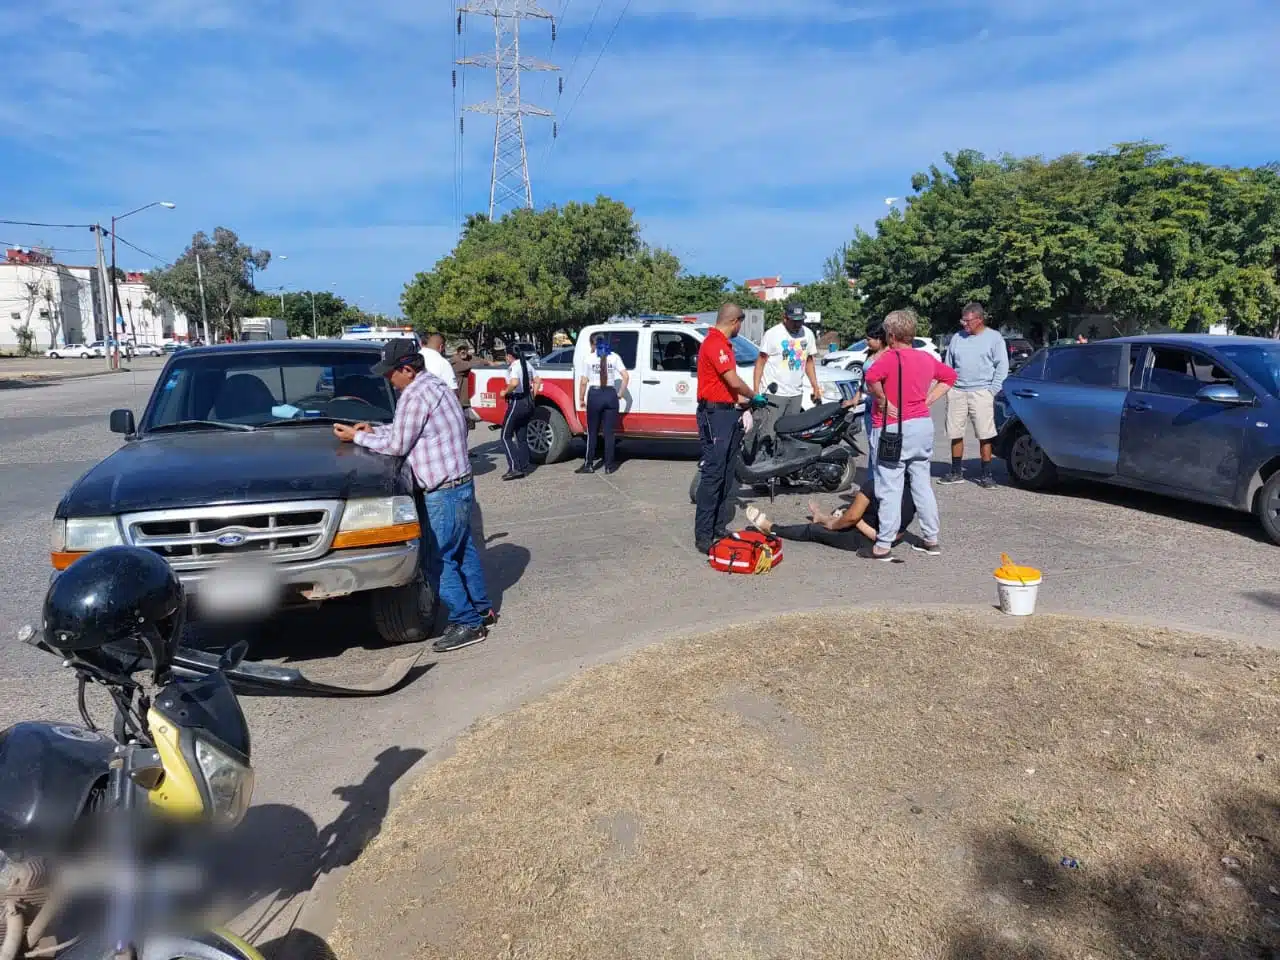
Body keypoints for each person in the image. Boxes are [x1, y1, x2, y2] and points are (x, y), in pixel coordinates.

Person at [333, 338, 494, 653]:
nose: (386, 379)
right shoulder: (433, 386)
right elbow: (405, 431)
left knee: (438, 559)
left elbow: (397, 446)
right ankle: (481, 608)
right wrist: (371, 431)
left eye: (389, 373)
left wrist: (358, 438)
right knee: (462, 550)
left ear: (406, 369)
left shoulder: (413, 396)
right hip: (459, 483)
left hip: (441, 490)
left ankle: (467, 622)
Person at [864, 309, 957, 561]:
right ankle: (931, 538)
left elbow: (870, 378)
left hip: (893, 427)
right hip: (921, 427)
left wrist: (882, 399)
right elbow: (949, 377)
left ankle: (883, 543)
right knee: (921, 483)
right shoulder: (926, 358)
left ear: (891, 335)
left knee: (890, 486)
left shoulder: (888, 358)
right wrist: (928, 400)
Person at [695, 303, 765, 554]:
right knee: (713, 474)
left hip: (726, 412)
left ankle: (716, 527)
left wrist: (742, 402)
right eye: (740, 324)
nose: (739, 328)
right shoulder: (714, 344)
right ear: (734, 321)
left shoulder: (724, 345)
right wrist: (753, 394)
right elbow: (732, 380)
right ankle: (703, 534)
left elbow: (725, 387)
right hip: (714, 416)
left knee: (726, 474)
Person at [743, 473, 916, 553]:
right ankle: (823, 517)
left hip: (864, 539)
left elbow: (860, 523)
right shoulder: (915, 497)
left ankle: (771, 528)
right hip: (880, 535)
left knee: (813, 530)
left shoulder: (875, 485)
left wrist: (844, 522)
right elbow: (897, 535)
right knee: (840, 511)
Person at [939, 302, 1008, 488]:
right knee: (955, 433)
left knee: (985, 434)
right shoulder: (957, 338)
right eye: (963, 320)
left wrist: (992, 391)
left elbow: (1002, 366)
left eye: (968, 321)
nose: (964, 324)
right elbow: (948, 366)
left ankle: (986, 474)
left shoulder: (994, 338)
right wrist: (949, 388)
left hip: (982, 391)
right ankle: (955, 471)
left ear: (979, 319)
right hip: (958, 391)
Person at [752, 302, 822, 459]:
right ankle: (762, 471)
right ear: (785, 318)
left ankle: (784, 470)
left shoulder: (808, 334)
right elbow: (760, 362)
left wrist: (815, 386)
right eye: (794, 320)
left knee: (789, 435)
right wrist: (756, 391)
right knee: (768, 434)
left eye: (800, 320)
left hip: (795, 394)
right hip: (774, 394)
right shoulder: (773, 334)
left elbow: (809, 361)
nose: (798, 324)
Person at [576, 332, 630, 475]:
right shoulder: (614, 357)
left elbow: (583, 381)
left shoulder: (588, 359)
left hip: (595, 395)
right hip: (611, 394)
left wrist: (581, 398)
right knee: (609, 433)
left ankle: (588, 464)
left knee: (592, 432)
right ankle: (609, 466)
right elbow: (626, 376)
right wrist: (620, 394)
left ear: (593, 344)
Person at [850, 323, 888, 470]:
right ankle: (872, 479)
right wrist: (856, 397)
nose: (867, 342)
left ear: (879, 339)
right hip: (868, 403)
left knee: (879, 443)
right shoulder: (871, 353)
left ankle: (880, 478)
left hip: (880, 404)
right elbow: (864, 379)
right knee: (872, 443)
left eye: (869, 339)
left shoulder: (888, 355)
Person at [500, 343, 539, 481]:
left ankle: (515, 468)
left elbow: (515, 383)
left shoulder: (515, 367)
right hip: (528, 402)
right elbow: (537, 380)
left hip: (517, 401)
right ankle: (524, 464)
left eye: (506, 355)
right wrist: (533, 395)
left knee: (505, 436)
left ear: (510, 356)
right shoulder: (527, 364)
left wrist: (505, 391)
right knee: (521, 436)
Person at [449, 342, 477, 430]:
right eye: (460, 349)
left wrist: (489, 362)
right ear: (457, 352)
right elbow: (472, 364)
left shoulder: (467, 359)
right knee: (461, 428)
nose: (463, 351)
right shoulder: (455, 362)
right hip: (459, 401)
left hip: (466, 401)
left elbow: (480, 360)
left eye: (464, 349)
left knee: (467, 428)